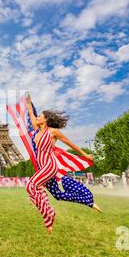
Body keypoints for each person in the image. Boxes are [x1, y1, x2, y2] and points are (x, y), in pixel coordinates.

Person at [25, 92, 98, 234]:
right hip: (42, 167)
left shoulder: (53, 132)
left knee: (31, 185)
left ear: (45, 120)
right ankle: (51, 216)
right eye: (38, 116)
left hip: (49, 166)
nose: (38, 117)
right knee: (55, 194)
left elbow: (71, 144)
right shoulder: (36, 130)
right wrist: (28, 100)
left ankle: (49, 213)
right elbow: (30, 111)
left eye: (40, 116)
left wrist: (85, 155)